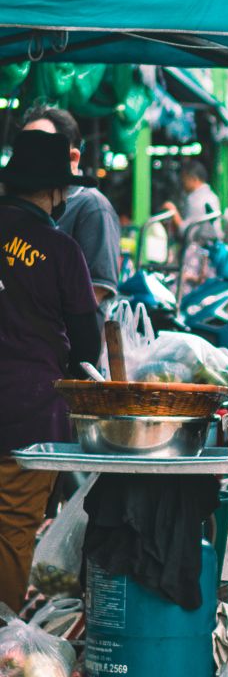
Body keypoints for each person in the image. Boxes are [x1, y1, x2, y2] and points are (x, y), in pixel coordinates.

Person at [0, 130, 101, 611]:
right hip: (29, 415)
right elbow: (87, 345)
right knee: (12, 531)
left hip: (24, 409)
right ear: (57, 190)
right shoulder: (59, 249)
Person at [21, 104, 121, 326]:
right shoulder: (25, 207)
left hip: (63, 350)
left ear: (73, 158)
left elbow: (94, 293)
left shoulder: (93, 208)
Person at [163, 161, 224, 286]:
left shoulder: (197, 199)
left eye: (184, 179)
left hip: (197, 255)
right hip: (211, 254)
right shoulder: (211, 196)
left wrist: (173, 212)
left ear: (193, 178)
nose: (182, 184)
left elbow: (187, 232)